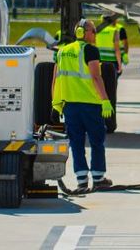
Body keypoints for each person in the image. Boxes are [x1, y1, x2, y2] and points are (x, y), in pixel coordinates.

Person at [51, 19, 114, 191]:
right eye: (93, 31)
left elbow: (55, 79)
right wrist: (106, 100)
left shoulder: (62, 51)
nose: (95, 34)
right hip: (90, 104)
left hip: (70, 106)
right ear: (82, 32)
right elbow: (95, 77)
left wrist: (55, 104)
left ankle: (81, 180)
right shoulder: (90, 50)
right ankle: (98, 177)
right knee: (96, 141)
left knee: (77, 143)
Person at [94, 13, 123, 133]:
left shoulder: (96, 31)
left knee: (98, 92)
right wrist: (120, 64)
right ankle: (110, 123)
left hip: (98, 64)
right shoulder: (114, 31)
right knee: (110, 93)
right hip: (111, 66)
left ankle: (97, 121)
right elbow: (117, 48)